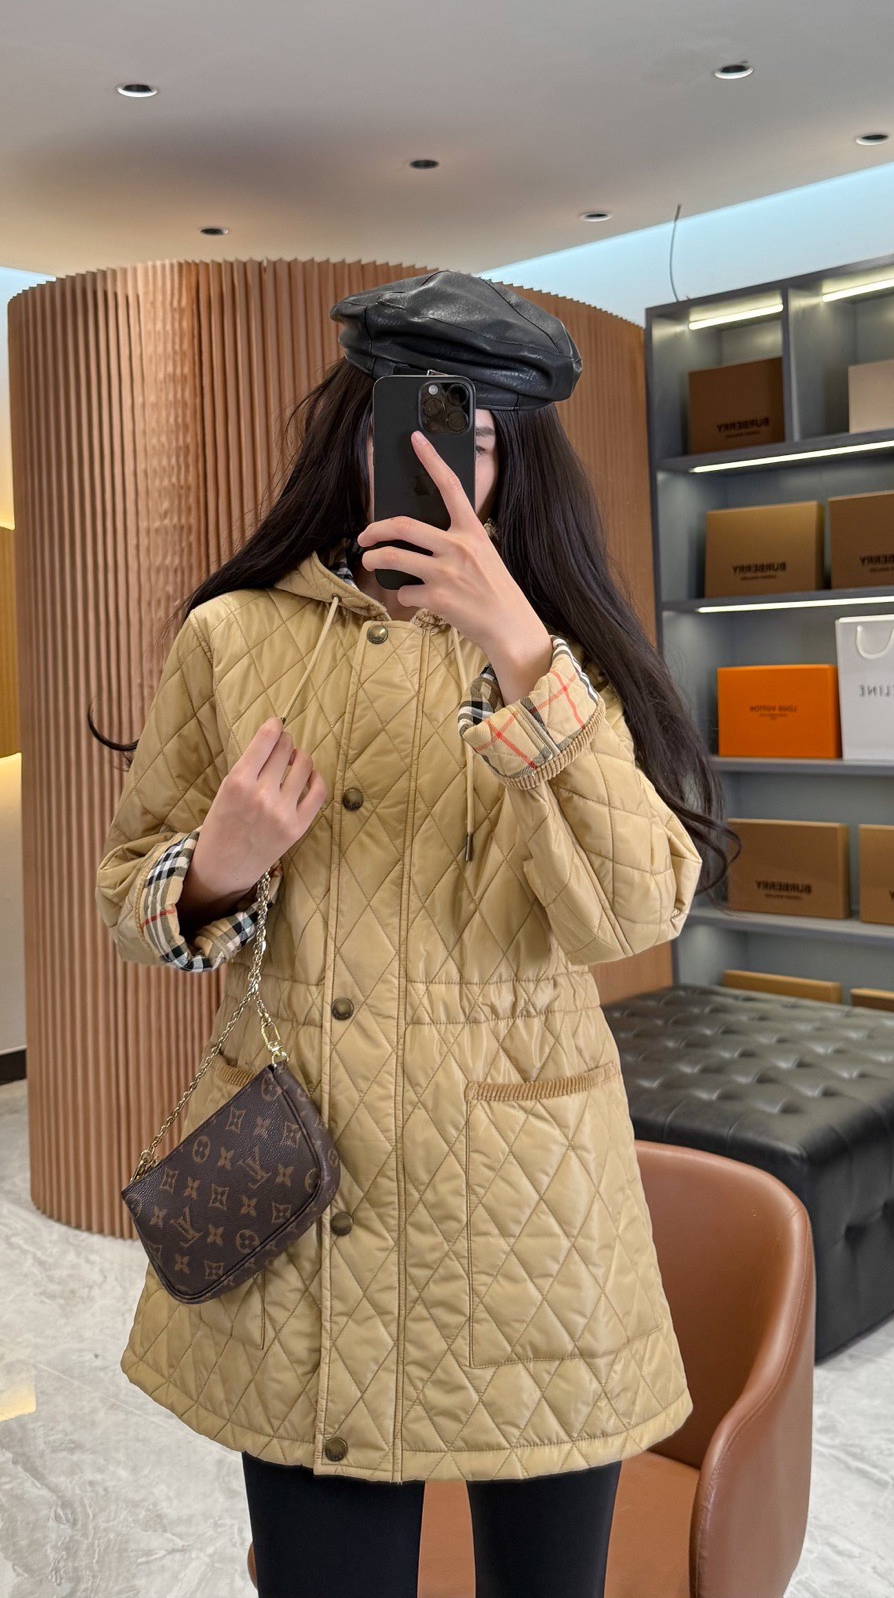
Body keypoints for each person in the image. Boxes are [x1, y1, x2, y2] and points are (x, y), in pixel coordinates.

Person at [96, 272, 732, 1598]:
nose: (447, 467)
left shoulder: (569, 651)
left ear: (521, 461)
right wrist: (216, 870)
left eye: (480, 437)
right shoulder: (234, 635)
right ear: (357, 434)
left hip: (528, 1210)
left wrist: (524, 658)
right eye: (417, 429)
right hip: (304, 1190)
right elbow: (127, 903)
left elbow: (634, 913)